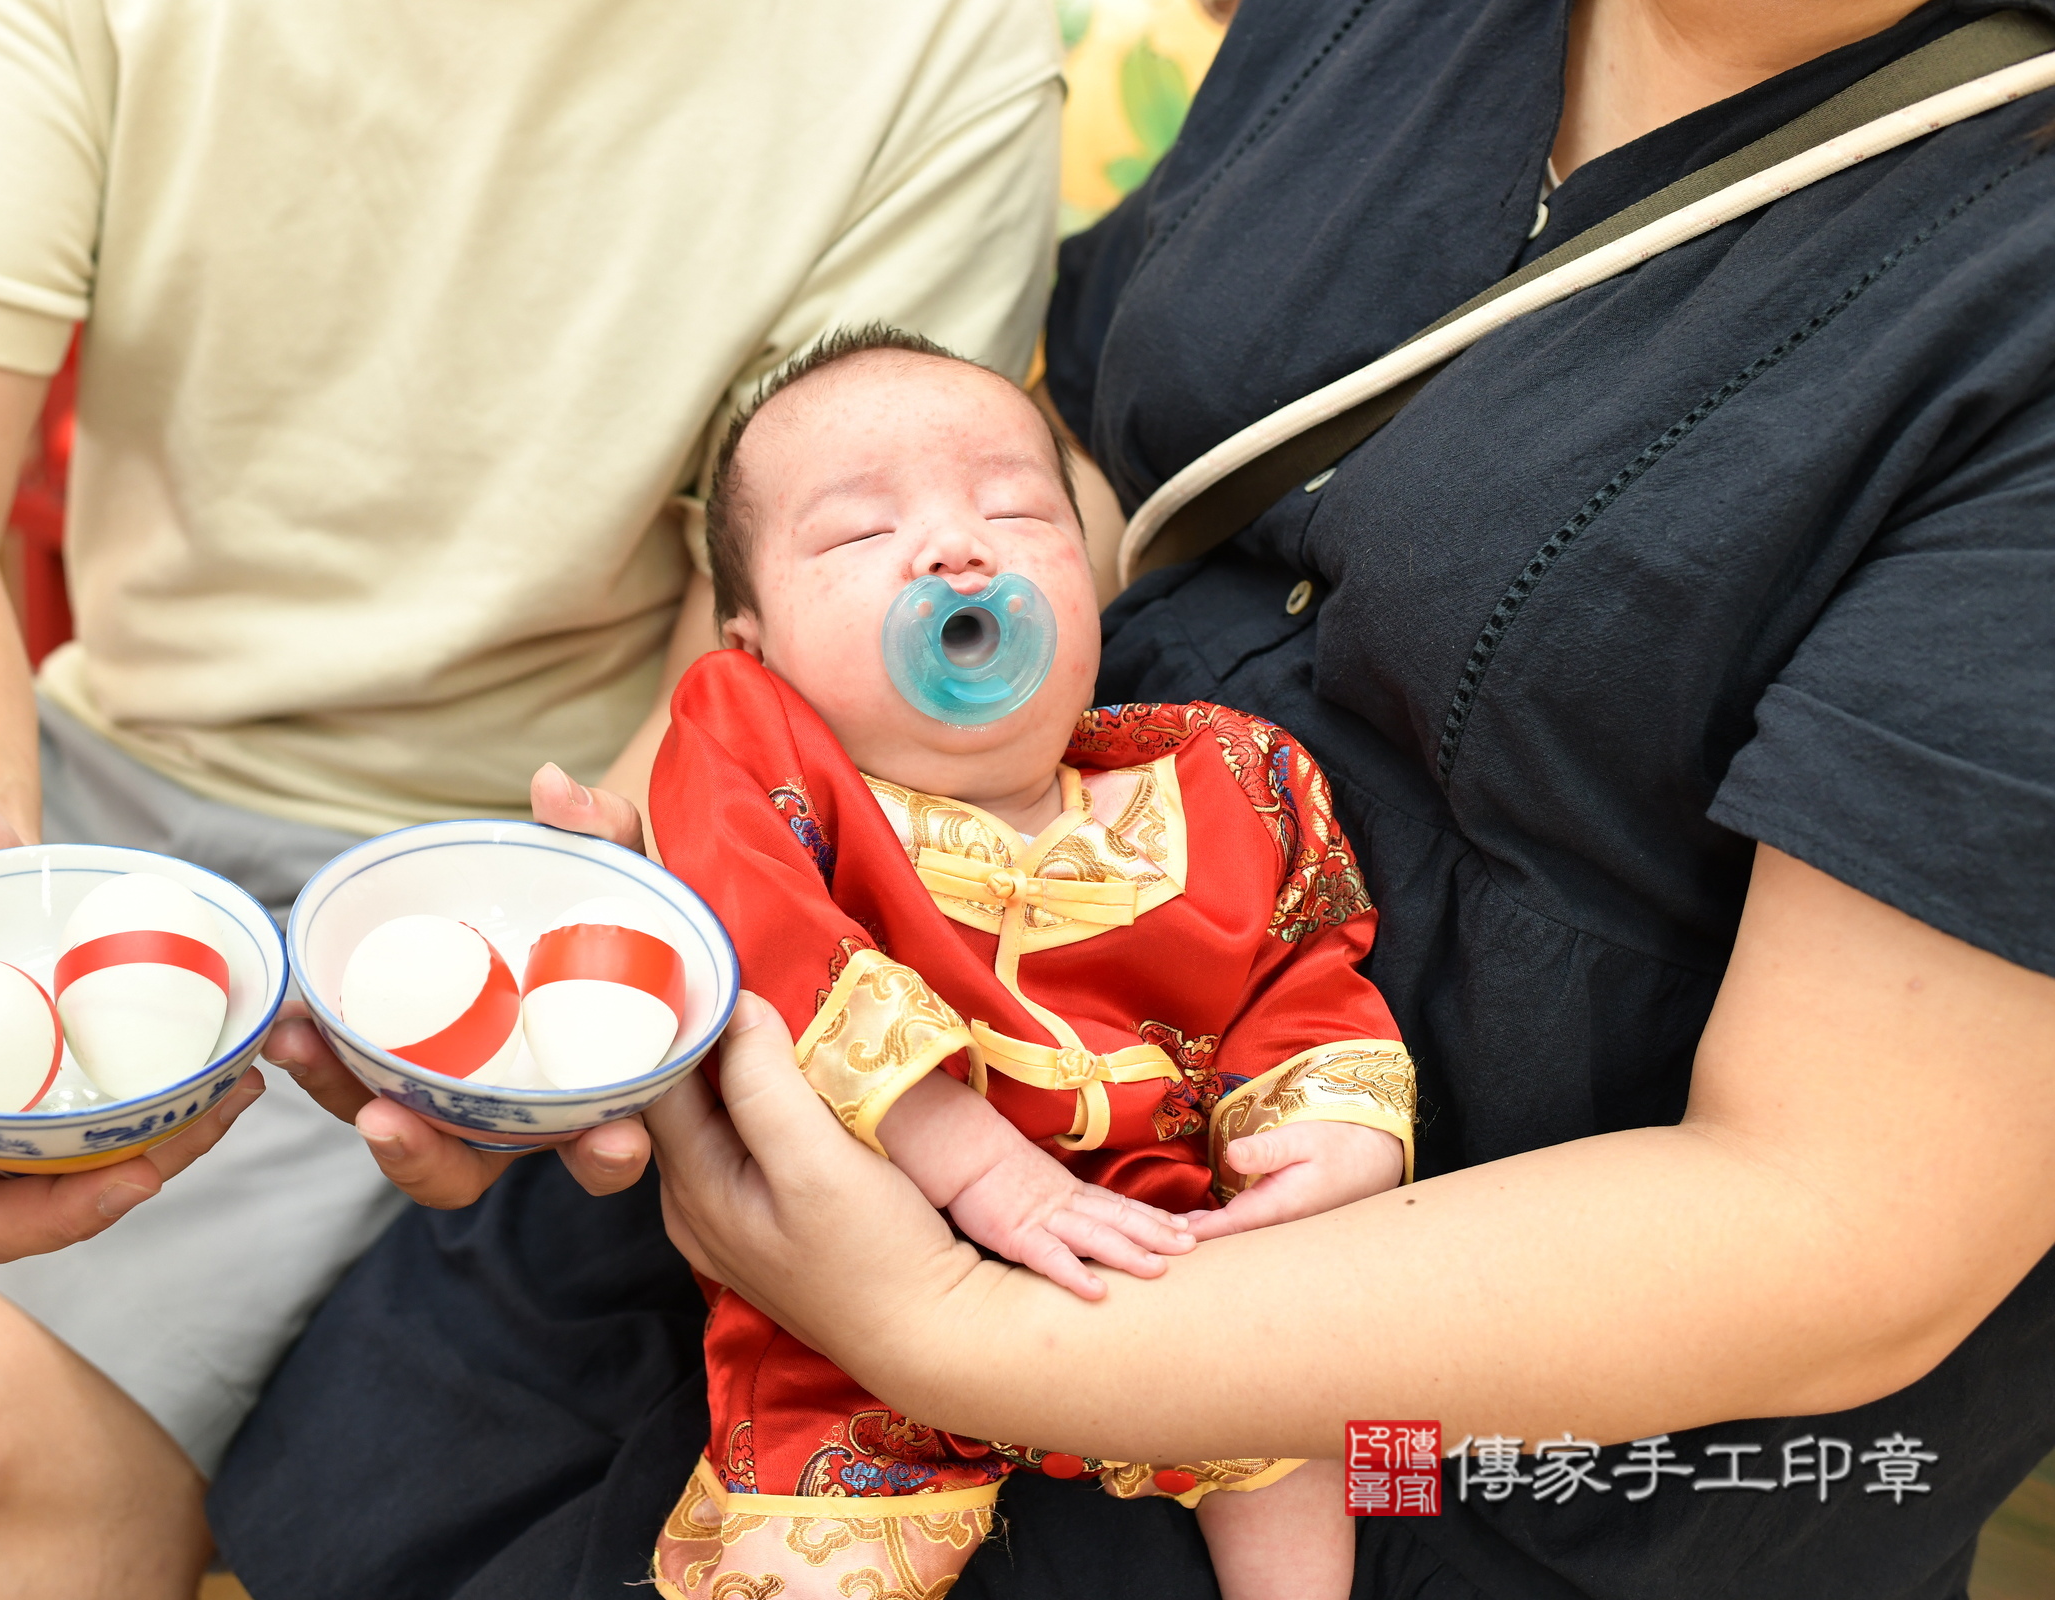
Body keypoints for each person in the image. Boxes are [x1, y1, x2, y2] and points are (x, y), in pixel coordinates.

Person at [219, 0, 2055, 1597]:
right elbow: (1087, 448)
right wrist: (651, 937)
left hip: (1444, 1370)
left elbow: (1848, 1229)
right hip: (901, 1050)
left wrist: (969, 1332)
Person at [0, 3, 1062, 1595]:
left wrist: (556, 960)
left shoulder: (936, 45)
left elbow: (766, 646)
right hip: (47, 779)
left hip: (496, 867)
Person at [643, 329, 1415, 1600]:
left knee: (1333, 1418)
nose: (958, 548)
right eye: (854, 534)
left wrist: (1336, 1142)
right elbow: (758, 933)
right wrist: (968, 1152)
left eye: (1015, 506)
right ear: (754, 642)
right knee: (798, 1547)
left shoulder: (1230, 776)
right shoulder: (757, 762)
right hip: (855, 1281)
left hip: (1171, 1257)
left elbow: (1309, 969)